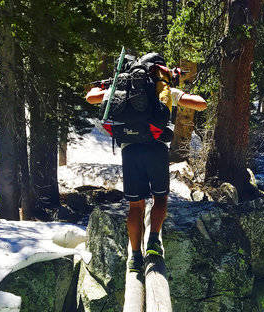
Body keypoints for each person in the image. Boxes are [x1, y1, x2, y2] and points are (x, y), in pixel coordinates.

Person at [85, 54, 206, 273]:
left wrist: (108, 85)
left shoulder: (121, 91)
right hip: (157, 149)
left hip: (130, 151)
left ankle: (135, 257)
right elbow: (201, 104)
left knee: (135, 206)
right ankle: (153, 242)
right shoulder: (162, 90)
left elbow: (90, 98)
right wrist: (171, 84)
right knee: (160, 199)